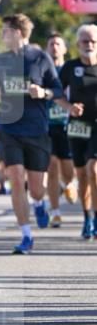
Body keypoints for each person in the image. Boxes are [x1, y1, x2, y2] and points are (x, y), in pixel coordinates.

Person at [0, 14, 65, 254]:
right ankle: (26, 235)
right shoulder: (0, 61)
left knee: (36, 188)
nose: (2, 36)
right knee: (16, 179)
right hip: (9, 129)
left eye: (6, 31)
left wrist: (42, 92)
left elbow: (57, 89)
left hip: (36, 129)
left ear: (18, 33)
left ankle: (40, 203)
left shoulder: (40, 58)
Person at [59, 23, 97, 239]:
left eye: (93, 41)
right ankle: (87, 217)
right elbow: (57, 93)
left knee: (94, 170)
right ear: (78, 44)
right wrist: (69, 108)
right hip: (77, 126)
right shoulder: (70, 67)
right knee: (81, 174)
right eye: (85, 41)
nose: (89, 45)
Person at [45, 33, 77, 226]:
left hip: (68, 124)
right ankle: (55, 212)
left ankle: (69, 183)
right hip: (47, 125)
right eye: (51, 44)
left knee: (67, 168)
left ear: (64, 49)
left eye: (58, 44)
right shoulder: (43, 71)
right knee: (51, 166)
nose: (54, 47)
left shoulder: (71, 70)